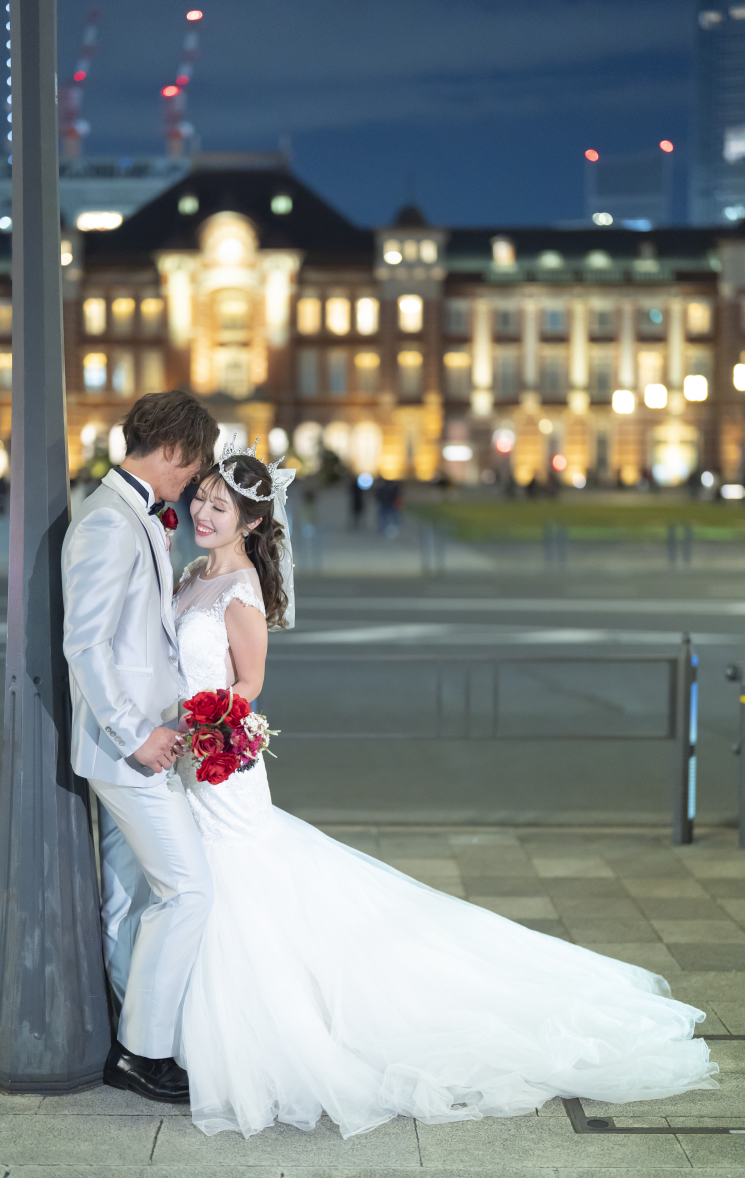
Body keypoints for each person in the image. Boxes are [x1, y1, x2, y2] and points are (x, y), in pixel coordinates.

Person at [171, 441, 718, 1140]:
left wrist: (213, 730)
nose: (203, 512)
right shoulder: (192, 573)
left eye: (219, 506)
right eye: (202, 499)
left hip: (219, 760)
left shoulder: (241, 589)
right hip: (190, 755)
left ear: (249, 523)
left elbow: (249, 683)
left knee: (235, 884)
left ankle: (238, 1034)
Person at [61, 389, 218, 1104]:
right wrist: (137, 734)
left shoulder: (131, 515)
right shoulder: (109, 524)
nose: (192, 484)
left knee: (129, 902)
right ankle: (144, 1053)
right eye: (193, 468)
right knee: (188, 888)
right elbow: (85, 645)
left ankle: (133, 1031)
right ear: (174, 452)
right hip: (126, 751)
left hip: (141, 742)